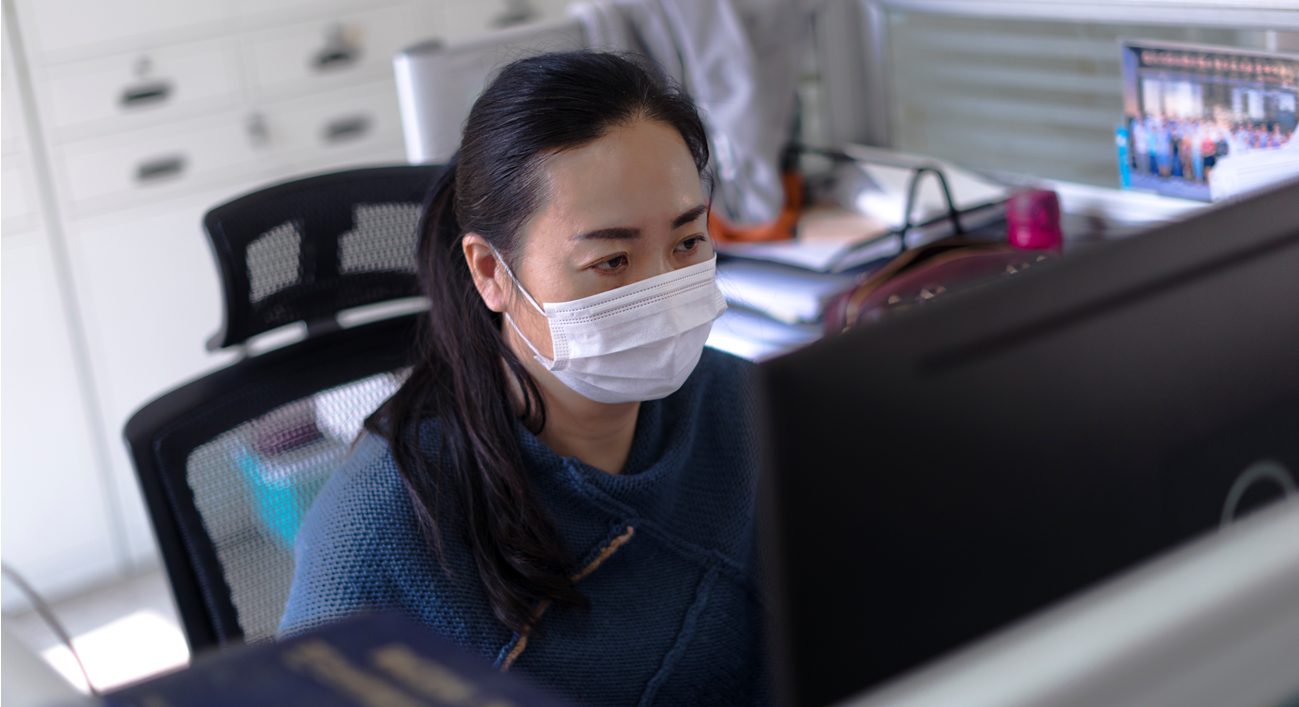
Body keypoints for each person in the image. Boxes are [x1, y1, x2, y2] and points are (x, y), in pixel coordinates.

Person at [279, 51, 769, 707]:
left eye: (686, 243)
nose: (661, 292)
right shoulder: (378, 530)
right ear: (491, 272)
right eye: (611, 260)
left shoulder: (749, 406)